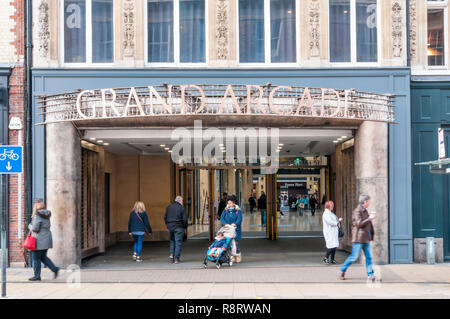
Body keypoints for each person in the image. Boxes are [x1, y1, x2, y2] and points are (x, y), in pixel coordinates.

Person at [340, 195, 377, 281]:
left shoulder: (364, 211)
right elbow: (359, 224)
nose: (369, 203)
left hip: (365, 238)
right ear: (365, 202)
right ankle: (342, 270)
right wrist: (370, 218)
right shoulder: (357, 211)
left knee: (368, 257)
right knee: (354, 257)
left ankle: (370, 275)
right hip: (359, 238)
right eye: (368, 201)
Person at [28, 200, 60, 281]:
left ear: (36, 207)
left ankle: (37, 276)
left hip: (39, 240)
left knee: (35, 258)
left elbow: (35, 228)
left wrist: (29, 226)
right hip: (46, 239)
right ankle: (55, 269)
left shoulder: (37, 215)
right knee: (43, 257)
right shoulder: (46, 215)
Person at [164, 196, 188, 264]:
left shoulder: (169, 207)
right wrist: (184, 227)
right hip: (179, 227)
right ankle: (176, 258)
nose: (182, 202)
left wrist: (168, 225)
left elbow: (165, 217)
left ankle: (172, 254)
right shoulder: (181, 208)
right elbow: (185, 219)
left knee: (172, 241)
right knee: (178, 243)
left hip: (170, 227)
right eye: (182, 201)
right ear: (180, 201)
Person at [322, 201, 343, 265]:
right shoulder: (326, 213)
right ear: (328, 206)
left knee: (334, 245)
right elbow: (329, 221)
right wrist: (337, 222)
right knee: (330, 246)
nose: (333, 206)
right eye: (332, 205)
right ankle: (325, 258)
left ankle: (332, 259)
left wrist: (338, 220)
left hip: (333, 232)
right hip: (329, 232)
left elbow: (334, 220)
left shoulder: (330, 213)